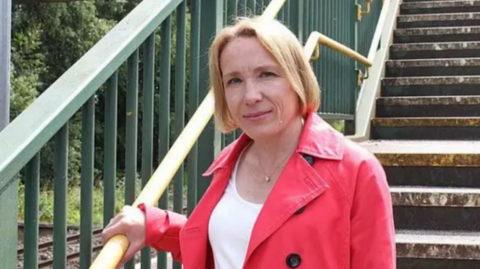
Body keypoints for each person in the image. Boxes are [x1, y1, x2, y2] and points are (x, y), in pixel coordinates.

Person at [102, 17, 396, 269]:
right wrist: (155, 226)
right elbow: (234, 242)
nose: (250, 95)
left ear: (297, 79)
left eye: (266, 74)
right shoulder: (229, 162)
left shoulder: (356, 171)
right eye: (234, 81)